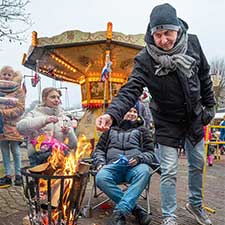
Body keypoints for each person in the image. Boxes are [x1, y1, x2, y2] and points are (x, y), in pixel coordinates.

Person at [96, 3, 215, 225]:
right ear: (151, 34)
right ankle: (170, 216)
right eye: (157, 35)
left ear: (177, 29)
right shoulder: (145, 59)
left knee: (197, 163)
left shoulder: (193, 43)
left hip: (194, 117)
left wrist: (210, 106)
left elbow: (204, 75)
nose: (163, 40)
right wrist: (111, 115)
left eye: (167, 33)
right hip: (167, 121)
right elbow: (131, 90)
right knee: (169, 170)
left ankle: (195, 205)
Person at [92, 105, 159, 225]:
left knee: (144, 171)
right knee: (100, 177)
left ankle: (120, 212)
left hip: (134, 167)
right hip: (113, 167)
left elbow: (150, 153)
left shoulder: (143, 130)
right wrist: (100, 163)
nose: (132, 113)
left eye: (135, 112)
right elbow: (99, 150)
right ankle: (136, 210)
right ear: (121, 113)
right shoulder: (110, 129)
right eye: (129, 111)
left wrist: (139, 158)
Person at [17, 87, 77, 167]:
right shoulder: (34, 114)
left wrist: (69, 132)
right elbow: (21, 128)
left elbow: (73, 145)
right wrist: (45, 120)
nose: (56, 100)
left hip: (61, 158)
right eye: (53, 97)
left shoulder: (65, 118)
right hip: (39, 158)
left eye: (58, 97)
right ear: (44, 99)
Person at [0, 66, 25, 188]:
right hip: (1, 127)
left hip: (13, 126)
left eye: (9, 74)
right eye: (4, 74)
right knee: (4, 151)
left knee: (15, 151)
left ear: (13, 76)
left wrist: (2, 113)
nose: (6, 76)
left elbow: (20, 108)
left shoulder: (18, 91)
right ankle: (8, 176)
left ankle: (19, 175)